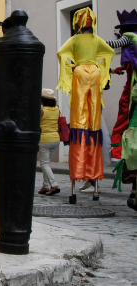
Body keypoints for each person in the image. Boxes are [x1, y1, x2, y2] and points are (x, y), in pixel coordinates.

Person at [56, 7, 115, 204]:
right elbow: (109, 51)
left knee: (79, 118)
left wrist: (71, 66)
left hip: (81, 72)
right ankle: (93, 178)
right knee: (93, 120)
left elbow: (61, 53)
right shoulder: (97, 40)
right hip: (95, 74)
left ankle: (79, 174)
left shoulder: (74, 40)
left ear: (78, 23)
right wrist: (100, 67)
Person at [107, 9, 137, 161]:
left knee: (124, 112)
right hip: (132, 82)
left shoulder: (129, 37)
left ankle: (117, 152)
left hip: (133, 86)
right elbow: (130, 64)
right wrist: (117, 69)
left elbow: (113, 44)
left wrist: (92, 42)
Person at [38, 89, 61, 196]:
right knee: (47, 164)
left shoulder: (41, 111)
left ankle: (54, 184)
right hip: (56, 139)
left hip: (44, 139)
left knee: (44, 164)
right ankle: (45, 186)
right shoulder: (57, 109)